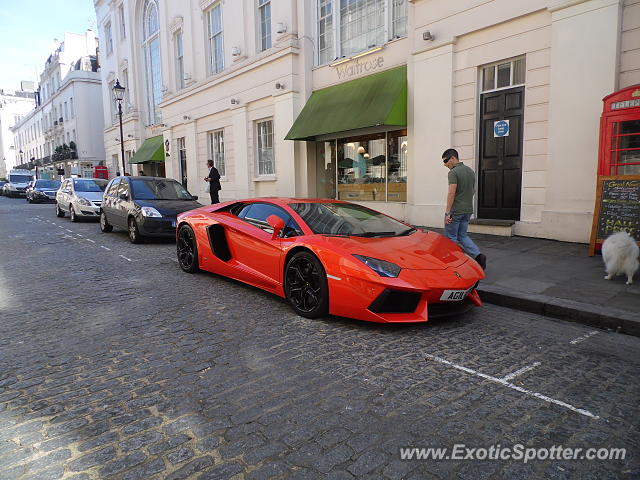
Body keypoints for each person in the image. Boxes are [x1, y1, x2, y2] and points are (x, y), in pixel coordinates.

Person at [442, 148, 486, 270]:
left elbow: (451, 192)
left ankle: (454, 263)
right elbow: (473, 190)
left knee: (451, 238)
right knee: (462, 236)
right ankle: (478, 256)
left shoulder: (453, 172)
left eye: (446, 161)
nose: (445, 164)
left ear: (453, 158)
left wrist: (447, 213)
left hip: (456, 210)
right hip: (467, 210)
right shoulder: (470, 171)